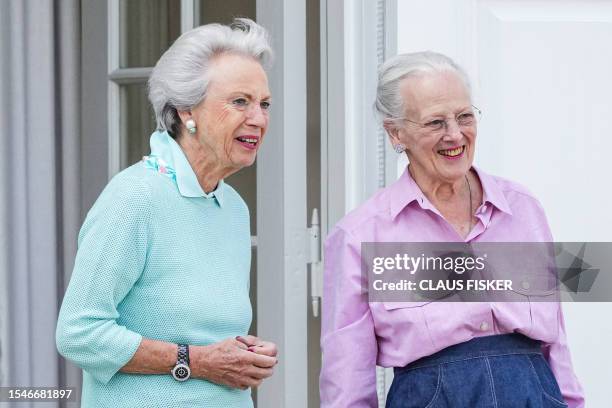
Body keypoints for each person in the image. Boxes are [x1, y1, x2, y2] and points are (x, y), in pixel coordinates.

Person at [320, 51, 584, 407]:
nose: (455, 135)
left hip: (533, 393)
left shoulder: (522, 209)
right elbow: (346, 377)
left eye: (464, 116)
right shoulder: (361, 236)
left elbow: (557, 340)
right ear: (396, 133)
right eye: (435, 122)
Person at [56, 19, 277, 407]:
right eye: (240, 101)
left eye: (264, 104)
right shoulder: (135, 198)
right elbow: (79, 333)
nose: (258, 118)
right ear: (186, 110)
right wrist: (199, 362)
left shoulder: (233, 209)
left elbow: (198, 328)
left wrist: (240, 352)